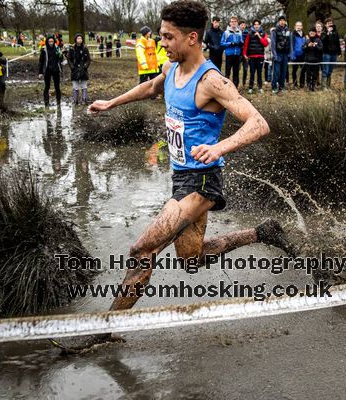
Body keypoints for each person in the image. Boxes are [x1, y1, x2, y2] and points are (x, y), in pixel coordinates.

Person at [65, 0, 284, 354]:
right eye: (162, 36)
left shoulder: (212, 81)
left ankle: (105, 329)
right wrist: (110, 103)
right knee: (191, 259)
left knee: (141, 250)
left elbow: (258, 123)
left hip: (201, 181)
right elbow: (151, 87)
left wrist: (219, 148)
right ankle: (263, 232)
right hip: (182, 177)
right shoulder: (171, 71)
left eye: (168, 37)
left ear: (192, 38)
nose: (161, 43)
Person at [243, 19, 268, 94]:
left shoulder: (263, 33)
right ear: (253, 26)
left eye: (258, 24)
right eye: (255, 24)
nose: (256, 26)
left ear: (260, 25)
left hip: (260, 56)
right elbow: (246, 45)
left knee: (260, 73)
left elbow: (265, 44)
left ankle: (260, 87)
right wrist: (244, 54)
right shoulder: (249, 34)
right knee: (252, 72)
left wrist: (259, 36)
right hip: (252, 56)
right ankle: (250, 88)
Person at [38, 35, 64, 107]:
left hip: (56, 70)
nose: (51, 43)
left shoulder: (57, 48)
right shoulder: (44, 50)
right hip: (47, 70)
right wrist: (40, 72)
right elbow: (41, 61)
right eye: (49, 41)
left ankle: (58, 102)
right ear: (47, 42)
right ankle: (46, 103)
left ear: (54, 41)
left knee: (57, 87)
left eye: (52, 41)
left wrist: (61, 54)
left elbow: (61, 59)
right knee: (47, 86)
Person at [271, 15, 292, 94]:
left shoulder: (288, 30)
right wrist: (274, 54)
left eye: (283, 20)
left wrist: (290, 54)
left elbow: (290, 43)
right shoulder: (275, 30)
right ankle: (274, 87)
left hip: (285, 54)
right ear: (279, 22)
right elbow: (273, 43)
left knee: (284, 72)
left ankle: (281, 87)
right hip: (278, 54)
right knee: (277, 72)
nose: (282, 22)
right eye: (281, 20)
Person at [67, 33, 91, 104]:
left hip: (83, 69)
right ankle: (75, 100)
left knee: (84, 86)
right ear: (75, 39)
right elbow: (69, 59)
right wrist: (72, 67)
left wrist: (85, 66)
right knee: (75, 86)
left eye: (80, 38)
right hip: (75, 70)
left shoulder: (85, 48)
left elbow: (88, 59)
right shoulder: (72, 49)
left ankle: (84, 100)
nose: (79, 40)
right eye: (78, 38)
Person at [221, 16, 243, 88]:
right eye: (232, 21)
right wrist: (230, 43)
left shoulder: (239, 32)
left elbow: (242, 41)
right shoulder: (226, 32)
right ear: (230, 23)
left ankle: (235, 89)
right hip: (229, 55)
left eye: (235, 21)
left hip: (237, 55)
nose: (233, 23)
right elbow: (222, 43)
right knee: (227, 73)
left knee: (236, 73)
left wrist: (241, 43)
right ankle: (226, 89)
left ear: (237, 23)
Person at [321, 18, 341, 90]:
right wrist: (327, 33)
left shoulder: (336, 32)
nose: (330, 24)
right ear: (325, 25)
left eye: (331, 23)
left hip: (334, 54)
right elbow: (322, 41)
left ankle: (328, 85)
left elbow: (338, 43)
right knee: (325, 70)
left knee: (330, 70)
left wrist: (339, 52)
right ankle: (324, 86)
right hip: (326, 53)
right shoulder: (323, 33)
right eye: (328, 23)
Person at [291, 21, 307, 89]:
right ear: (295, 27)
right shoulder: (293, 34)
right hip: (295, 55)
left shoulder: (304, 35)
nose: (299, 27)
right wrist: (292, 54)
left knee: (303, 70)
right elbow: (291, 45)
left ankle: (302, 84)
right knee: (294, 70)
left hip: (303, 55)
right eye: (297, 25)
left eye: (300, 26)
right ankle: (295, 84)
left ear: (302, 27)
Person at [240, 20, 249, 87]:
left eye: (244, 25)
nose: (243, 26)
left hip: (245, 53)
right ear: (239, 25)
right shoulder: (237, 32)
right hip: (238, 53)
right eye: (241, 25)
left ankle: (244, 82)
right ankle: (237, 82)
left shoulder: (247, 33)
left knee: (245, 69)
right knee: (237, 68)